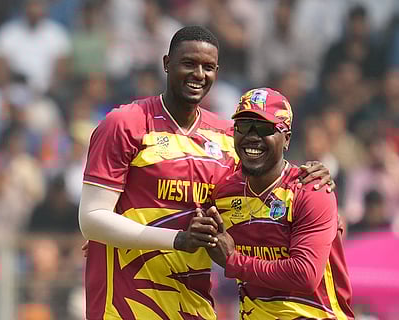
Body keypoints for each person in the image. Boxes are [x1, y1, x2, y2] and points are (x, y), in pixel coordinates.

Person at [79, 26, 335, 320]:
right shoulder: (125, 124)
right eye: (188, 63)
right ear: (166, 63)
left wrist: (312, 181)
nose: (198, 74)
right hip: (124, 304)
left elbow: (257, 198)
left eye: (208, 67)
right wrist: (173, 239)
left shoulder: (229, 136)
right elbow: (92, 220)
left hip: (194, 306)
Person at [192, 88, 355, 319]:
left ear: (286, 138)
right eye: (244, 126)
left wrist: (233, 261)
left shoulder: (311, 189)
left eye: (264, 128)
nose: (251, 136)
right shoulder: (222, 192)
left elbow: (305, 275)